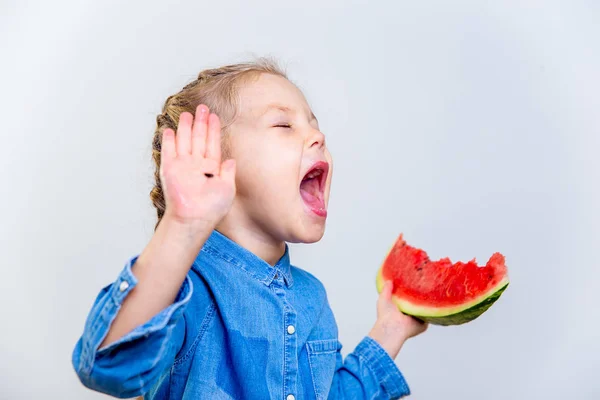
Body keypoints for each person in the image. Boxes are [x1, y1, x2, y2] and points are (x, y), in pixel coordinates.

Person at [71, 58, 428, 399]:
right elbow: (105, 364)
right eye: (284, 125)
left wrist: (390, 329)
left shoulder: (311, 297)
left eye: (315, 126)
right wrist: (182, 225)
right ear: (212, 160)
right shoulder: (187, 289)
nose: (318, 137)